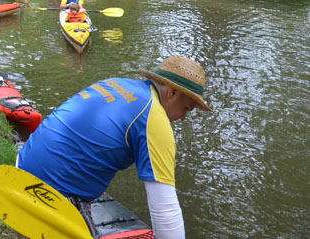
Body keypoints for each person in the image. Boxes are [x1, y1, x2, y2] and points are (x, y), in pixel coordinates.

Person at [17, 56, 213, 239]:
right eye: (186, 108)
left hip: (21, 167)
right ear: (172, 92)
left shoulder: (114, 83)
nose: (182, 117)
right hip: (51, 196)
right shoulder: (154, 118)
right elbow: (165, 211)